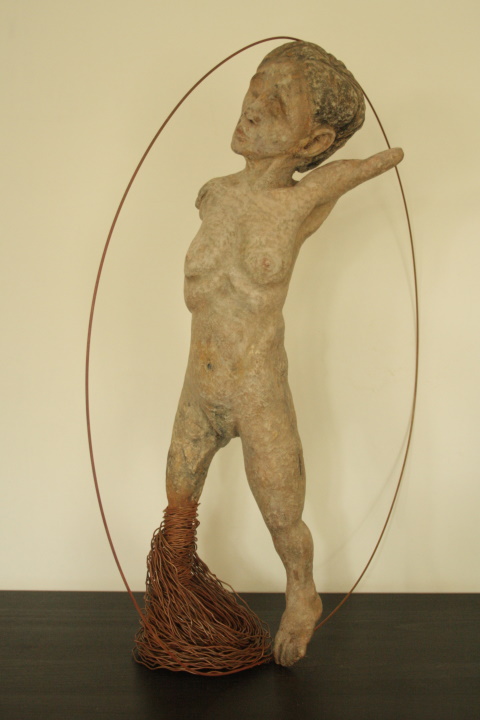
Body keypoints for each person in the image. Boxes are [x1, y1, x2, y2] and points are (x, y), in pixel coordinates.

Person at [165, 41, 403, 667]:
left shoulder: (301, 202)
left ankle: (303, 593)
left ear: (313, 140)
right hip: (197, 393)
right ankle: (178, 606)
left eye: (279, 100)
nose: (253, 104)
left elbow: (358, 170)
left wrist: (380, 162)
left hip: (258, 394)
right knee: (177, 516)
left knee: (282, 519)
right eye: (256, 84)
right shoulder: (213, 194)